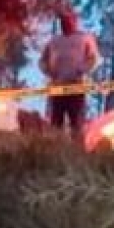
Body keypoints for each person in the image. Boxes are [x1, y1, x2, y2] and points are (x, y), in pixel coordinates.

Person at [40, 12, 102, 141]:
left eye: (68, 20)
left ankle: (78, 152)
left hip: (76, 85)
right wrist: (49, 71)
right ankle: (55, 151)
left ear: (75, 21)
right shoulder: (54, 40)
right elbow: (42, 60)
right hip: (57, 86)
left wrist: (82, 70)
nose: (64, 23)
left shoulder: (84, 38)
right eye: (62, 21)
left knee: (77, 122)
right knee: (56, 122)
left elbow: (94, 58)